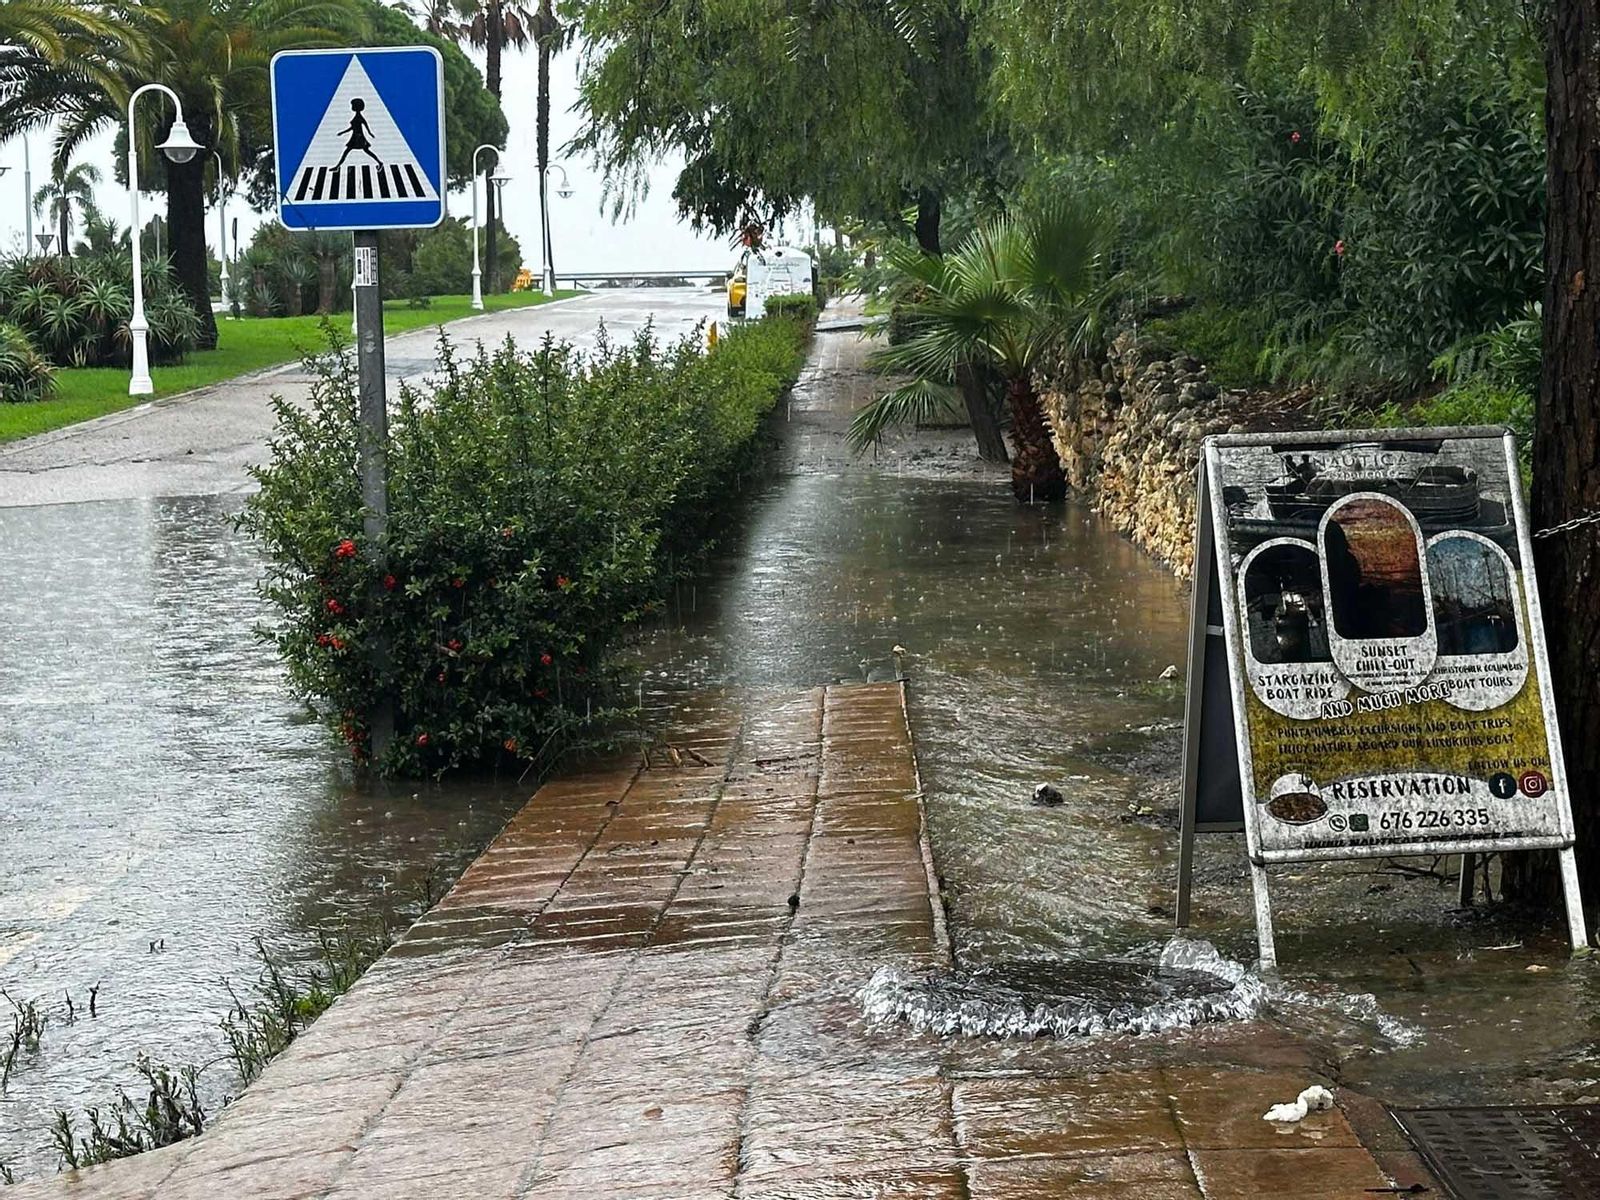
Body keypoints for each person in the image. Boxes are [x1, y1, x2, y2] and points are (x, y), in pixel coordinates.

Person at [335, 99, 382, 170]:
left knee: (347, 151)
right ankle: (380, 162)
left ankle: (337, 167)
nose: (351, 107)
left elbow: (365, 125)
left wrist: (370, 133)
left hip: (358, 138)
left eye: (353, 105)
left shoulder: (359, 117)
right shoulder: (357, 116)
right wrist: (342, 132)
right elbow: (353, 128)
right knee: (364, 151)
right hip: (356, 137)